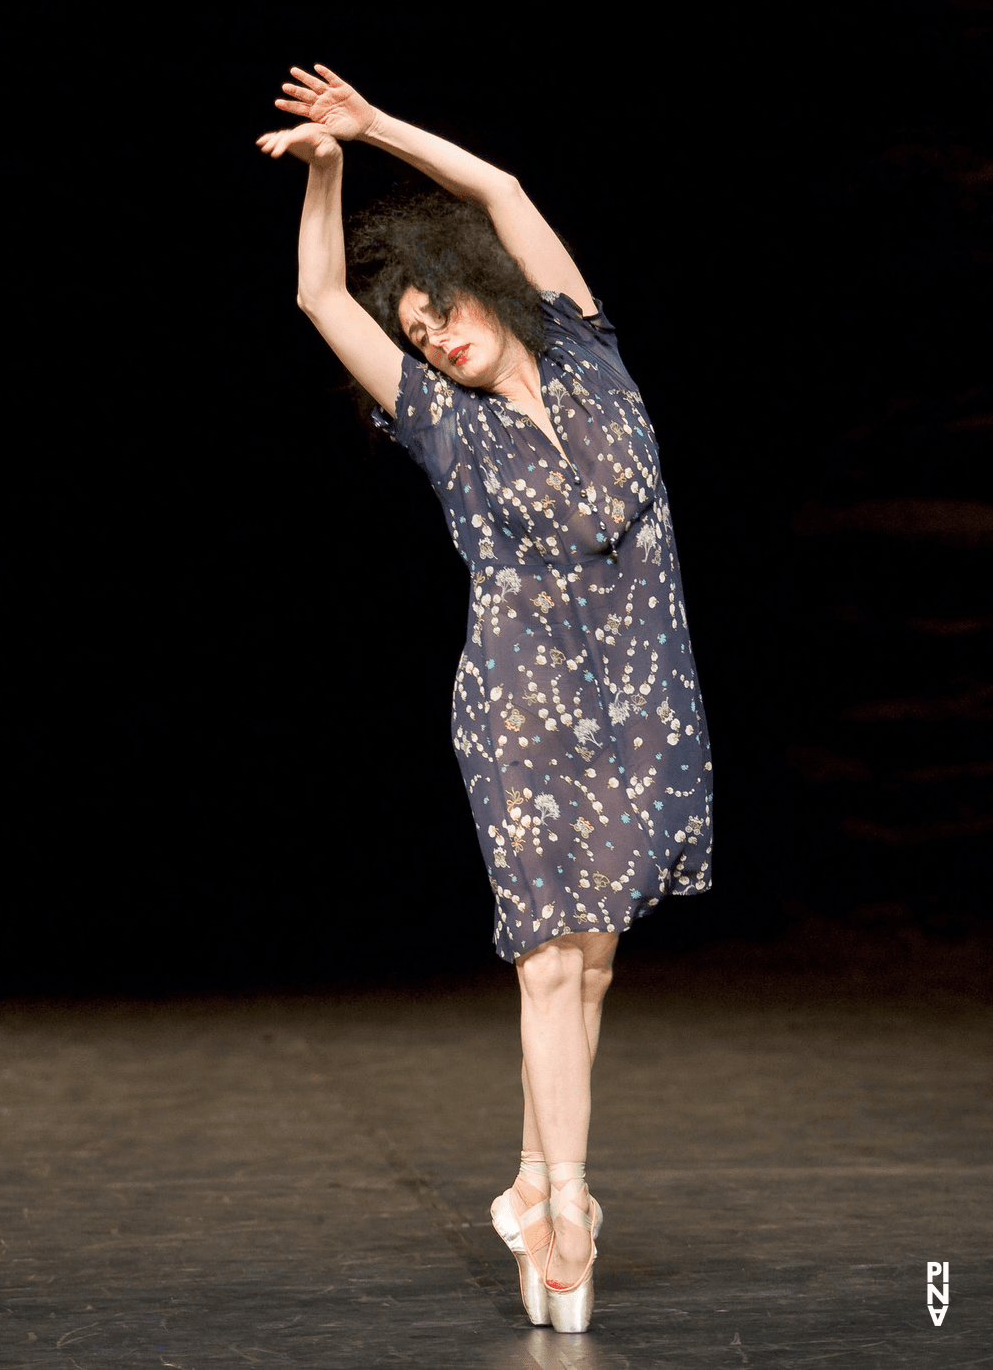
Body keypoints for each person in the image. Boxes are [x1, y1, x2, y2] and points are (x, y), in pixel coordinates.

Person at [257, 65, 713, 1333]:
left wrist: (375, 126)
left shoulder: (584, 345)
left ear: (485, 293)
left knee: (596, 960)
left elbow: (502, 186)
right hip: (522, 701)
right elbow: (315, 293)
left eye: (440, 310)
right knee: (547, 961)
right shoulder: (443, 430)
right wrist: (328, 176)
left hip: (639, 697)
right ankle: (566, 1201)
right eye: (415, 335)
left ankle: (523, 1182)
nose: (435, 337)